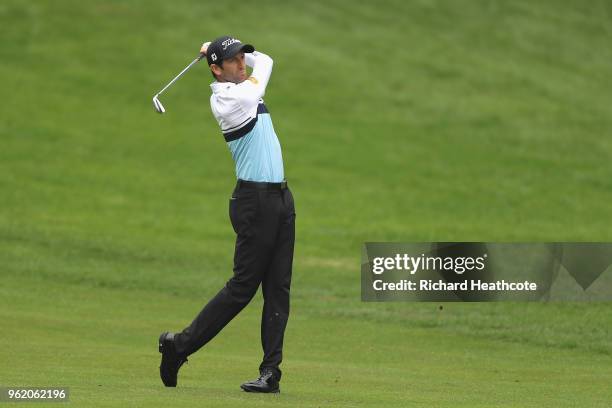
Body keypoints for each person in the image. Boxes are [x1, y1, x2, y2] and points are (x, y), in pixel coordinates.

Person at [158, 35, 296, 394]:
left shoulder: (240, 86)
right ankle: (178, 346)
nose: (241, 63)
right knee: (242, 289)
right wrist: (222, 54)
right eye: (232, 61)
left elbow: (259, 58)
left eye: (241, 58)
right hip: (254, 203)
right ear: (217, 70)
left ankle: (270, 373)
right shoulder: (230, 98)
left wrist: (220, 49)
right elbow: (266, 63)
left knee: (278, 289)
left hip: (281, 199)